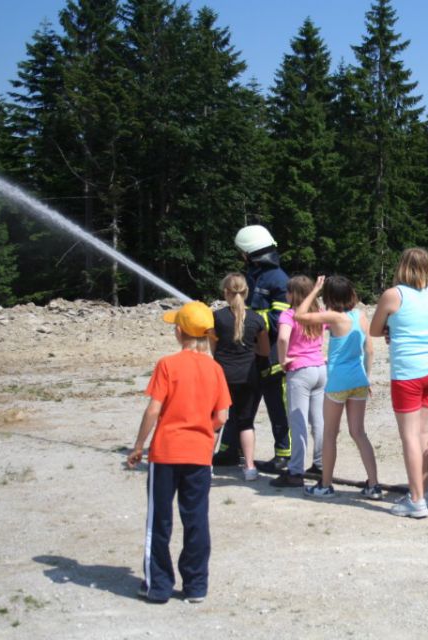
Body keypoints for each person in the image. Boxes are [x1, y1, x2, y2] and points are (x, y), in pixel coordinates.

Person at [127, 301, 231, 604]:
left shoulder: (167, 365)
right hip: (199, 455)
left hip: (166, 453)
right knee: (196, 519)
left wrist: (138, 446)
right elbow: (222, 417)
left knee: (159, 520)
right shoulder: (215, 369)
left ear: (179, 330)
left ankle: (158, 586)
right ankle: (196, 586)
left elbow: (153, 410)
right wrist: (201, 430)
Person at [370, 248, 428, 519]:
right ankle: (423, 491)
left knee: (410, 436)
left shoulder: (394, 295)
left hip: (408, 372)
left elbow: (374, 329)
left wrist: (391, 329)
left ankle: (415, 501)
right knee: (424, 432)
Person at [298, 275, 382, 500]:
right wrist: (367, 378)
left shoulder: (334, 317)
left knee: (330, 434)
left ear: (330, 298)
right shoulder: (361, 316)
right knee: (359, 433)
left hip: (337, 383)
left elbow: (300, 315)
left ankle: (325, 485)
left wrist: (314, 290)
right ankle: (374, 485)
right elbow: (370, 351)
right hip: (359, 381)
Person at [235, 224, 290, 472]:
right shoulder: (251, 276)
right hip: (250, 352)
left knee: (277, 405)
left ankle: (283, 454)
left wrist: (252, 319)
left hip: (273, 356)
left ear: (250, 253)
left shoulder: (279, 280)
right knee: (241, 402)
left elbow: (280, 320)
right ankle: (229, 449)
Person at [271, 275, 327, 488]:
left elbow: (283, 338)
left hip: (300, 370)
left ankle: (295, 471)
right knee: (318, 421)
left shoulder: (289, 314)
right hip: (320, 367)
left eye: (288, 291)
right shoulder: (319, 313)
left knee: (298, 421)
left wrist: (283, 359)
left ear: (294, 294)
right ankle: (320, 463)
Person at [210, 274, 265, 480]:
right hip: (248, 376)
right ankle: (249, 467)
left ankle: (206, 466)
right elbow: (265, 350)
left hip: (222, 377)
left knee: (216, 421)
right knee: (246, 423)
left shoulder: (216, 317)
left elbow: (213, 349)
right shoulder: (257, 319)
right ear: (247, 292)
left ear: (226, 293)